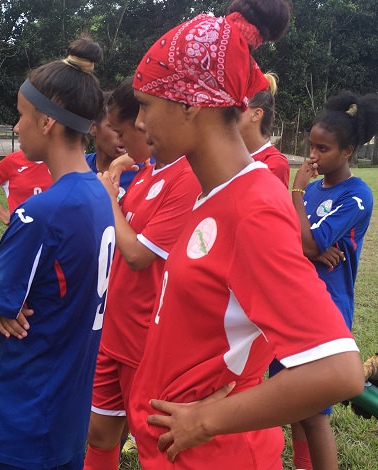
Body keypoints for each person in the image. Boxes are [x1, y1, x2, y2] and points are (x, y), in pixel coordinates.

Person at [126, 2, 365, 468]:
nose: (138, 123)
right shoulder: (205, 190)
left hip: (217, 456)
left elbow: (339, 371)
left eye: (146, 105)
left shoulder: (253, 208)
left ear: (191, 104)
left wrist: (204, 422)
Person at [0, 36, 116, 470]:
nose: (17, 127)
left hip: (26, 413)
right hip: (70, 408)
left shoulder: (41, 212)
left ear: (47, 122)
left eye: (21, 115)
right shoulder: (98, 193)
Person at [83, 79, 200, 469]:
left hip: (145, 339)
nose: (118, 139)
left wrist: (109, 199)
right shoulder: (148, 171)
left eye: (121, 130)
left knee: (151, 443)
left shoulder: (186, 178)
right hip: (112, 327)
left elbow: (136, 254)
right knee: (99, 435)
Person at [279, 90, 378, 470]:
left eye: (323, 149)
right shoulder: (315, 190)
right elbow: (287, 236)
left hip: (327, 309)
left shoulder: (357, 196)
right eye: (310, 146)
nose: (313, 156)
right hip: (293, 302)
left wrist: (298, 193)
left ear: (348, 152)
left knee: (316, 415)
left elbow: (305, 238)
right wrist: (311, 246)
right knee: (294, 404)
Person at [238, 73, 290, 187]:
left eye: (237, 106)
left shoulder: (274, 163)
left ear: (256, 114)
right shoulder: (228, 155)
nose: (228, 113)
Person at [85, 91, 141, 197]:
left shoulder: (142, 170)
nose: (120, 135)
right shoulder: (80, 168)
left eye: (124, 128)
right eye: (113, 127)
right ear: (93, 128)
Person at [0, 149, 52, 225]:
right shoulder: (12, 161)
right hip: (22, 231)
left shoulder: (61, 161)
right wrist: (0, 212)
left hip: (56, 231)